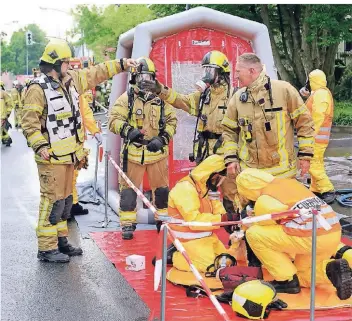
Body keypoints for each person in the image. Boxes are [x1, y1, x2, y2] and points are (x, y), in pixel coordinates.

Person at [22, 39, 137, 263]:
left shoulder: (71, 80)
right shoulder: (37, 89)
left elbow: (97, 72)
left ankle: (61, 240)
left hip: (69, 156)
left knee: (65, 201)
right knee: (51, 201)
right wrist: (40, 146)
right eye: (66, 62)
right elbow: (29, 123)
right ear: (55, 64)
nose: (70, 66)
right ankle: (46, 248)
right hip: (51, 158)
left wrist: (123, 63)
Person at [142, 50, 241, 217]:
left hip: (225, 153)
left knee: (231, 194)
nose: (206, 75)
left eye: (210, 70)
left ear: (222, 73)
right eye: (205, 70)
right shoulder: (204, 96)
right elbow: (182, 100)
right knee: (201, 191)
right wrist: (160, 89)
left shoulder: (234, 96)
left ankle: (235, 228)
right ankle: (206, 227)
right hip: (204, 152)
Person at [236, 168, 352, 300]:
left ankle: (286, 280)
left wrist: (249, 221)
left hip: (310, 237)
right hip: (333, 232)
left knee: (254, 234)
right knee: (303, 274)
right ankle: (331, 270)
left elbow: (264, 226)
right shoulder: (291, 183)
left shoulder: (265, 199)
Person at [108, 57, 177, 240]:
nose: (145, 81)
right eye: (142, 76)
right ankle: (128, 225)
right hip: (133, 153)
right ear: (135, 77)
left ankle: (161, 222)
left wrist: (162, 139)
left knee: (162, 191)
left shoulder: (162, 100)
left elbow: (172, 122)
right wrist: (129, 132)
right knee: (128, 192)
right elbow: (114, 120)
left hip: (158, 153)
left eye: (149, 77)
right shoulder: (126, 99)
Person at [222, 53, 315, 182]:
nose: (236, 76)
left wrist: (305, 156)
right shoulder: (238, 98)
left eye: (238, 71)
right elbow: (229, 131)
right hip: (250, 175)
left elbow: (304, 123)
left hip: (282, 175)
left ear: (252, 71)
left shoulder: (284, 90)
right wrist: (231, 158)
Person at [166, 154, 235, 272]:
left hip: (207, 237)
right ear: (210, 174)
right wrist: (222, 219)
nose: (218, 182)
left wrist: (228, 219)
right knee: (210, 267)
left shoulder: (206, 187)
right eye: (217, 178)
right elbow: (194, 221)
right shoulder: (185, 188)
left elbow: (217, 212)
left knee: (228, 261)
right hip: (188, 240)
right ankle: (174, 256)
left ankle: (182, 253)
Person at [299, 69, 335, 204]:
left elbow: (318, 116)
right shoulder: (319, 93)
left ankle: (327, 189)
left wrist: (310, 135)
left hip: (316, 138)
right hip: (317, 137)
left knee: (313, 164)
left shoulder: (321, 94)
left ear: (312, 80)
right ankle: (316, 188)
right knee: (316, 162)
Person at [70, 91, 102, 218]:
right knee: (67, 175)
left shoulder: (75, 93)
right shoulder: (74, 93)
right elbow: (86, 114)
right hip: (69, 141)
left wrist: (95, 131)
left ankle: (71, 204)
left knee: (72, 174)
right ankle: (69, 205)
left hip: (74, 140)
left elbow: (85, 114)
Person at [1, 80, 13, 146]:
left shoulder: (3, 93)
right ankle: (6, 139)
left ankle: (7, 139)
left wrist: (8, 113)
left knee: (2, 128)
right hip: (2, 115)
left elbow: (9, 104)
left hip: (2, 115)